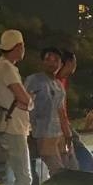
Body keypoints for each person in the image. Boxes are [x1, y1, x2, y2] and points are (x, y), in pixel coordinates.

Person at [0, 29, 33, 185]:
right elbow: (25, 99)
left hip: (7, 125)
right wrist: (29, 102)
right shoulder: (8, 68)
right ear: (18, 47)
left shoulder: (0, 65)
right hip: (15, 127)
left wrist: (26, 102)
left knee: (11, 177)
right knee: (24, 178)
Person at [24, 47, 66, 177]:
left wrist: (67, 133)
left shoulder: (58, 84)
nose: (51, 63)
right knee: (57, 171)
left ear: (61, 64)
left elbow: (61, 110)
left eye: (56, 60)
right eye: (48, 59)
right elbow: (26, 105)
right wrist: (29, 130)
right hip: (43, 133)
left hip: (58, 134)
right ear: (43, 62)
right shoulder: (34, 80)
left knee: (67, 169)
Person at [56, 50, 80, 170]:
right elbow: (58, 108)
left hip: (65, 125)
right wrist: (66, 129)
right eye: (75, 62)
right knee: (67, 162)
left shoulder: (63, 80)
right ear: (69, 62)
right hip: (58, 128)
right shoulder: (55, 81)